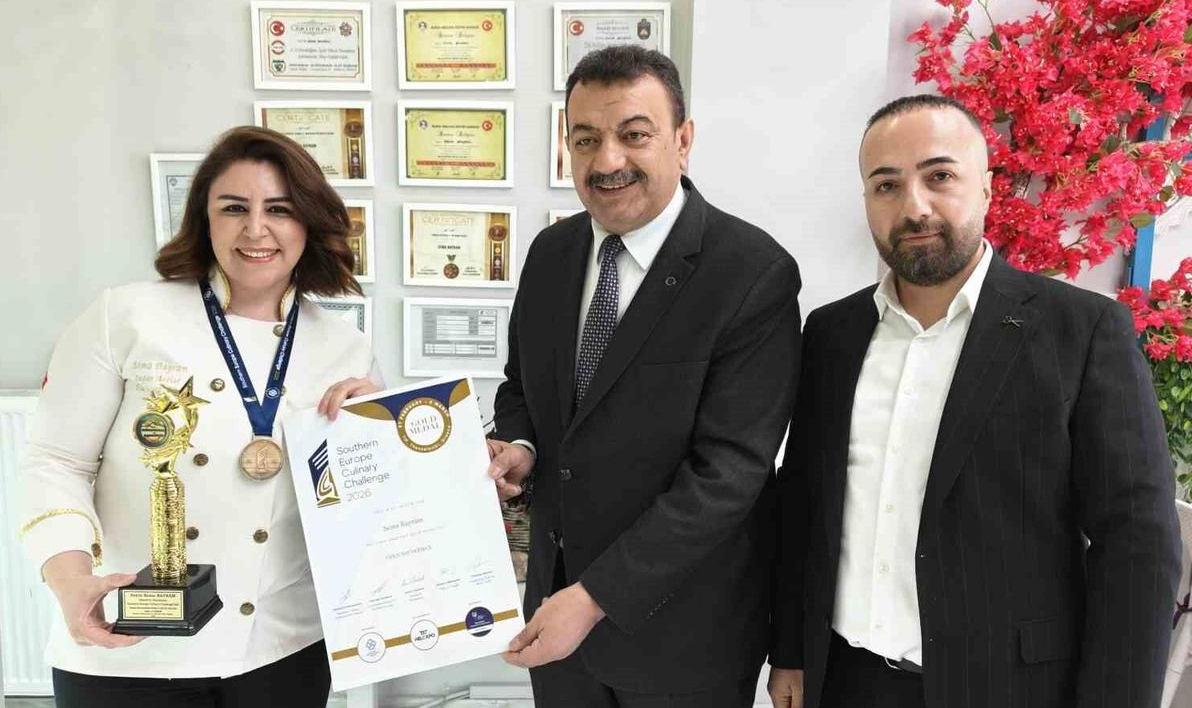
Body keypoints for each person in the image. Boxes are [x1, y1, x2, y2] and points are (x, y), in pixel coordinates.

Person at [767, 95, 1181, 708]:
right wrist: (790, 651)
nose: (914, 206)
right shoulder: (831, 333)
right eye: (887, 185)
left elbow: (1137, 546)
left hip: (1008, 687)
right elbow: (803, 500)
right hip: (846, 679)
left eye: (939, 176)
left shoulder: (1081, 332)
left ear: (986, 188)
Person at [19, 126, 379, 707]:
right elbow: (56, 461)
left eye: (280, 209)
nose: (255, 229)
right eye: (233, 208)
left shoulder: (346, 347)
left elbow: (360, 504)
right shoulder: (127, 315)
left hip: (284, 647)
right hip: (130, 642)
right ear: (203, 220)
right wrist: (70, 579)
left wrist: (379, 433)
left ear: (309, 223)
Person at [488, 45, 802, 707]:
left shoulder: (752, 273)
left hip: (684, 638)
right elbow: (522, 388)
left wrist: (594, 598)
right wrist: (520, 446)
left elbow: (729, 474)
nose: (607, 161)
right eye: (586, 139)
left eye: (634, 135)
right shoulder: (550, 253)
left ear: (682, 141)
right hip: (557, 620)